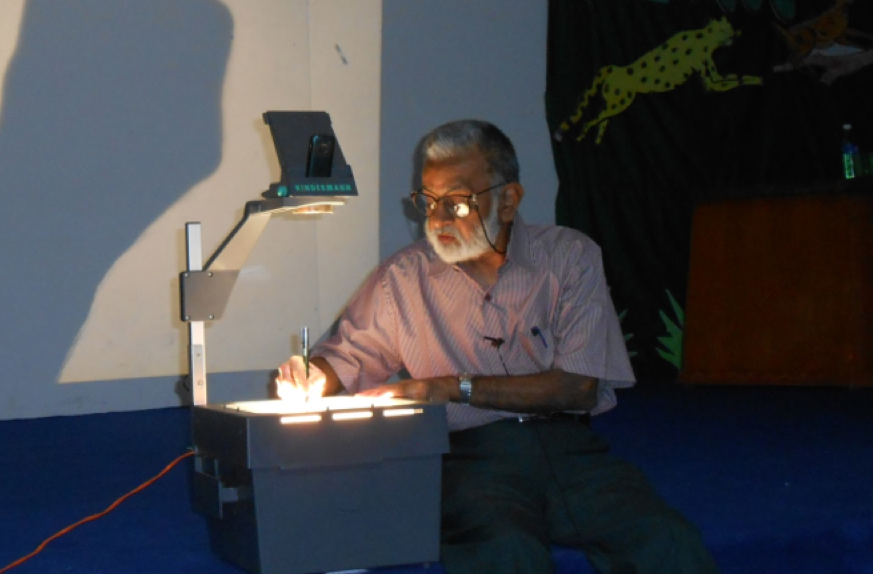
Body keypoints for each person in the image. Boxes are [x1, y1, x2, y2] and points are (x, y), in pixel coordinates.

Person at [276, 120, 719, 573]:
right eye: (427, 202)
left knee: (666, 542)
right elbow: (348, 356)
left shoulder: (568, 257)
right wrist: (314, 374)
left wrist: (451, 387)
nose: (438, 220)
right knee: (503, 550)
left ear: (508, 200)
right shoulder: (402, 279)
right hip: (469, 457)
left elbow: (577, 387)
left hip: (571, 450)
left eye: (458, 203)